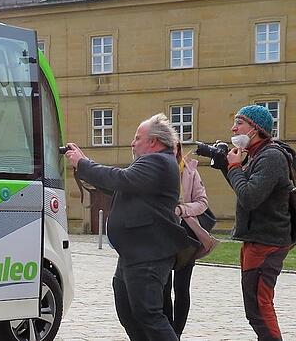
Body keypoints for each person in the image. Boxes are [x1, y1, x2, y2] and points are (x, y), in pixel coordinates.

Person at [64, 113, 197, 341]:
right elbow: (119, 185)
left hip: (148, 253)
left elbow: (120, 179)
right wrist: (84, 164)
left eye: (137, 138)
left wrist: (83, 164)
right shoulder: (153, 163)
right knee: (128, 309)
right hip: (135, 251)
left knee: (148, 314)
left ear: (153, 141)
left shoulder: (158, 161)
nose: (133, 143)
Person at [225, 105, 292, 341]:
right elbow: (246, 192)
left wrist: (234, 167)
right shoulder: (257, 155)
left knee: (260, 308)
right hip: (257, 240)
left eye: (239, 122)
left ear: (256, 129)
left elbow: (250, 197)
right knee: (255, 309)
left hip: (267, 241)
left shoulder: (271, 156)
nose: (234, 128)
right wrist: (232, 167)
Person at [163, 141, 219, 338]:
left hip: (187, 235)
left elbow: (202, 203)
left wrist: (181, 209)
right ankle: (167, 331)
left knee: (181, 287)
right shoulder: (154, 169)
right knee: (163, 287)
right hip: (161, 234)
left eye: (173, 147)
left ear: (178, 148)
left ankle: (176, 334)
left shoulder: (190, 171)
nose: (170, 152)